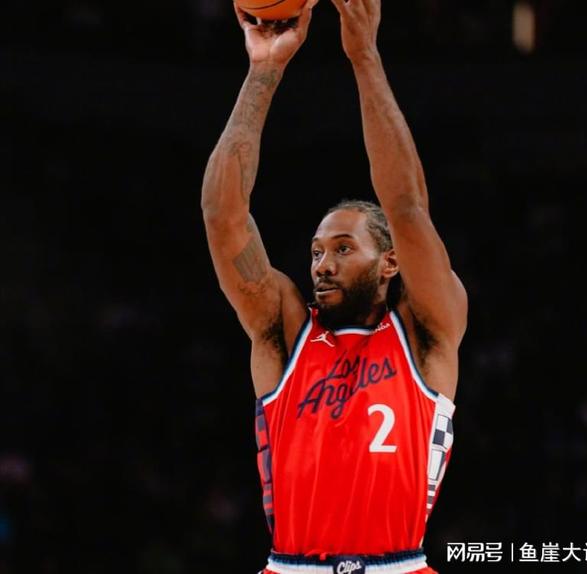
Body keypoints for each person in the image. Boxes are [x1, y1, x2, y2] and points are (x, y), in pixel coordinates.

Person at [201, 1, 468, 572]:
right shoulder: (283, 329)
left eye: (343, 248)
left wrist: (364, 55)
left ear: (390, 262)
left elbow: (406, 206)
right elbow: (223, 218)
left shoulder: (425, 330)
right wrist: (263, 72)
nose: (322, 264)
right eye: (317, 251)